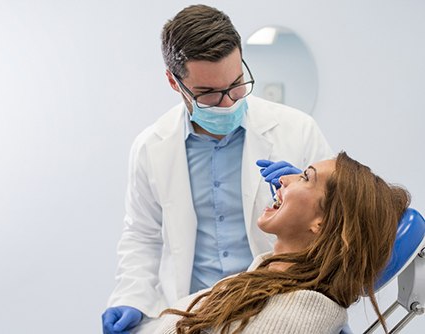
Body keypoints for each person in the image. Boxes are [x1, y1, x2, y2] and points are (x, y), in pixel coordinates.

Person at [102, 4, 333, 333]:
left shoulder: (298, 130)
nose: (229, 103)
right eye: (208, 94)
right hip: (195, 312)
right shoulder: (150, 148)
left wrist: (311, 194)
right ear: (174, 82)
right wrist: (131, 296)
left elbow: (339, 225)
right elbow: (143, 234)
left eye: (237, 84)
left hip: (279, 306)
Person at [152, 152, 410, 334]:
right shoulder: (261, 283)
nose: (283, 179)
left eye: (305, 177)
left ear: (321, 223)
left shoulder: (293, 316)